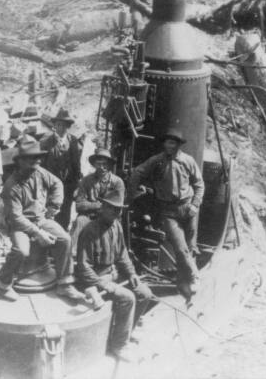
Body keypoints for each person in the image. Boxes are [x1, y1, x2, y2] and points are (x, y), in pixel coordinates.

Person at [0, 136, 86, 303]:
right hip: (20, 225)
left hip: (40, 219)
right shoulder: (12, 186)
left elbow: (57, 184)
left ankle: (64, 284)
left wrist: (55, 205)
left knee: (65, 239)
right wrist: (39, 233)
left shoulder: (39, 172)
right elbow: (16, 218)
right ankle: (2, 282)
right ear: (20, 161)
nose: (36, 162)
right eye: (31, 159)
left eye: (38, 158)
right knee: (21, 251)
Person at [74, 188, 157, 361]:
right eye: (112, 208)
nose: (116, 212)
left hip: (113, 274)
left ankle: (126, 332)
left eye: (119, 209)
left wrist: (132, 273)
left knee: (145, 293)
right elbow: (83, 266)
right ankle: (119, 346)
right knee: (127, 298)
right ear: (102, 207)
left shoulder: (116, 226)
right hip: (94, 280)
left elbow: (122, 253)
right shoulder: (89, 230)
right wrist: (102, 284)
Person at [129, 129, 204, 295]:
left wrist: (195, 205)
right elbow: (137, 172)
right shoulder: (157, 161)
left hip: (188, 208)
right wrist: (132, 192)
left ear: (178, 145)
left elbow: (199, 184)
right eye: (167, 142)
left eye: (172, 143)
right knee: (180, 247)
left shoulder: (188, 161)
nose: (168, 146)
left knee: (190, 247)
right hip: (169, 212)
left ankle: (182, 281)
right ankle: (194, 277)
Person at [40, 108, 84, 229]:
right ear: (54, 125)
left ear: (68, 126)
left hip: (68, 185)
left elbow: (76, 164)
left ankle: (63, 235)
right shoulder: (46, 142)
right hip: (51, 185)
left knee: (65, 212)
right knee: (52, 212)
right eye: (59, 124)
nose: (61, 128)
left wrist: (76, 183)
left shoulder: (73, 141)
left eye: (64, 125)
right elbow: (41, 165)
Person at [72, 147, 126, 246]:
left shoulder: (118, 182)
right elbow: (79, 205)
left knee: (115, 227)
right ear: (94, 165)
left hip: (109, 219)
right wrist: (97, 206)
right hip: (89, 217)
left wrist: (97, 207)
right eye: (99, 164)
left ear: (109, 165)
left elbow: (119, 210)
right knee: (80, 221)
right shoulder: (86, 180)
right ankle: (72, 256)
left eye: (105, 164)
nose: (102, 167)